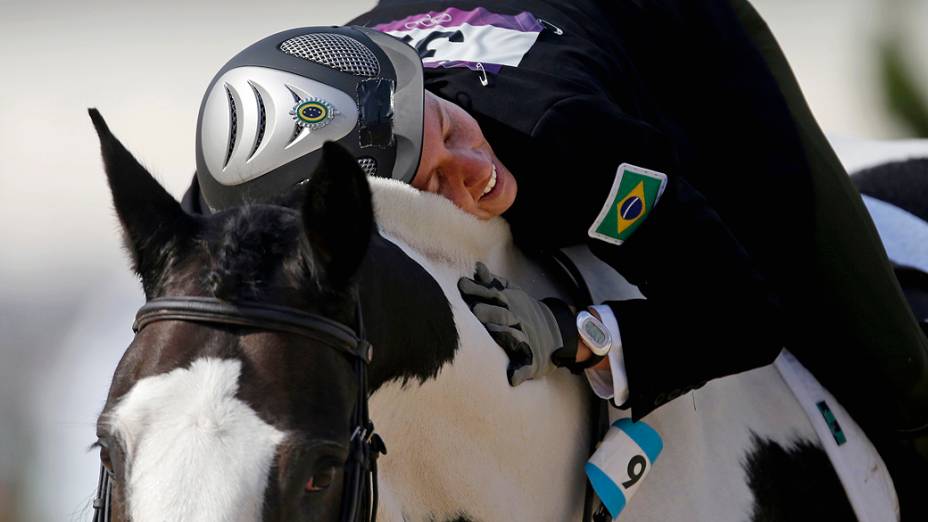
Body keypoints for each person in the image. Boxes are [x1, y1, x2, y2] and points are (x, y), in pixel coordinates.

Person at [183, 1, 928, 512]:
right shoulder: (228, 200)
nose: (475, 172)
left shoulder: (558, 138)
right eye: (435, 183)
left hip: (678, 40)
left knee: (901, 376)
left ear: (415, 86)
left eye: (448, 131)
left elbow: (744, 315)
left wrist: (576, 332)